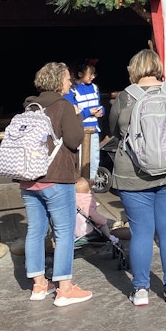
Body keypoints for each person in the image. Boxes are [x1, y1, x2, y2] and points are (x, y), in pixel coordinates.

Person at [110, 49, 166, 306]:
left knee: (141, 233)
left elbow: (114, 129)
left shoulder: (126, 96)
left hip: (133, 173)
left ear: (133, 69)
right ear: (158, 66)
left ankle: (141, 289)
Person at [19, 61, 93, 306]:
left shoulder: (30, 106)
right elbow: (73, 140)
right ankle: (65, 288)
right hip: (56, 176)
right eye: (67, 78)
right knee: (63, 233)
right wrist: (78, 117)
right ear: (58, 81)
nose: (70, 82)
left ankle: (39, 285)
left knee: (35, 231)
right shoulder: (63, 106)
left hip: (29, 178)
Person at [71, 60, 104, 180]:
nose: (93, 77)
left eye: (94, 74)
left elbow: (99, 104)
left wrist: (101, 111)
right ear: (80, 74)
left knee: (94, 158)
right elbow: (72, 114)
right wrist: (88, 112)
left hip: (94, 130)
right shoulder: (72, 91)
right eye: (90, 74)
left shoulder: (94, 88)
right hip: (80, 131)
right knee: (80, 160)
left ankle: (91, 184)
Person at [74, 176, 115, 242]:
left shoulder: (74, 199)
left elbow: (88, 192)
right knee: (102, 224)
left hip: (74, 228)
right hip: (85, 230)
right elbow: (93, 215)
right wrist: (103, 220)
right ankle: (109, 237)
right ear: (90, 191)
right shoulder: (87, 201)